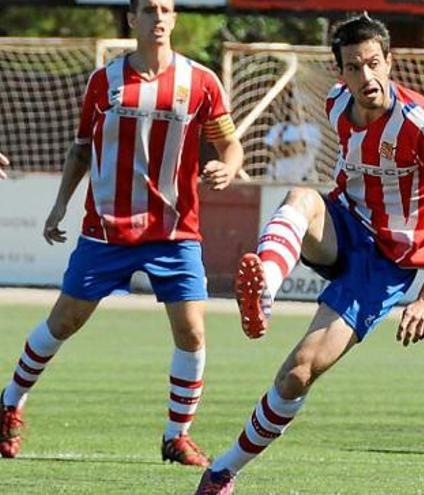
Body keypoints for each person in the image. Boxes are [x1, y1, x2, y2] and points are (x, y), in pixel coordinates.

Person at [194, 14, 424, 494]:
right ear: (339, 73)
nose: (367, 78)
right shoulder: (336, 103)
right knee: (302, 196)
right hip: (345, 225)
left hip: (388, 265)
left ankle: (222, 471)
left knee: (298, 372)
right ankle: (264, 296)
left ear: (390, 62)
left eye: (374, 64)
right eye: (354, 68)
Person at [0, 0, 243, 467]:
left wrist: (228, 168)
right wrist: (59, 206)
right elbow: (80, 149)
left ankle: (177, 436)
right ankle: (10, 402)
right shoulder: (104, 81)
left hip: (174, 231)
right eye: (148, 9)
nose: (158, 17)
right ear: (132, 19)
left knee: (192, 332)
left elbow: (230, 143)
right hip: (107, 229)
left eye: (166, 9)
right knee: (64, 322)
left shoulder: (201, 81)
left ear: (175, 19)